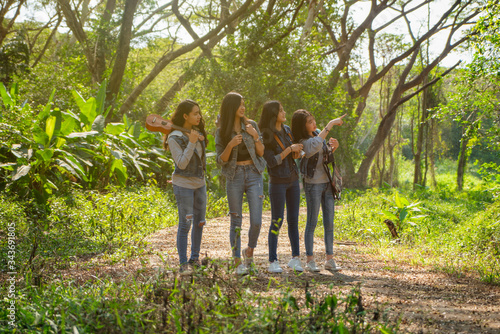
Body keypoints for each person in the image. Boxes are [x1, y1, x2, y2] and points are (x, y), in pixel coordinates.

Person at [215, 92, 266, 275]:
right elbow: (220, 160)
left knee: (257, 221)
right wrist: (230, 145)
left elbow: (261, 152)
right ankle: (237, 263)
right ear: (231, 108)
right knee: (236, 220)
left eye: (244, 103)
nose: (243, 107)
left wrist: (255, 136)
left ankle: (249, 252)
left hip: (254, 174)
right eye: (239, 105)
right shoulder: (222, 131)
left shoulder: (251, 125)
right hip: (234, 175)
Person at [291, 109, 346, 272]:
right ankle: (310, 259)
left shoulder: (317, 135)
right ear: (302, 126)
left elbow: (324, 156)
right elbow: (312, 149)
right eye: (309, 121)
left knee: (329, 222)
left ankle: (330, 259)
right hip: (313, 184)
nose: (313, 123)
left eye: (313, 120)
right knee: (312, 222)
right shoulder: (303, 141)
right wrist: (330, 125)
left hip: (327, 184)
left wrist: (333, 148)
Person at [258, 101, 304, 273]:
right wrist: (288, 150)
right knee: (277, 220)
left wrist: (297, 152)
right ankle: (273, 260)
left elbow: (292, 156)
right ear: (272, 114)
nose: (284, 113)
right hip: (277, 180)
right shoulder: (266, 135)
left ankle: (295, 258)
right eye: (281, 110)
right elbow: (272, 161)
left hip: (293, 179)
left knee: (294, 220)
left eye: (284, 109)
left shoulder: (287, 130)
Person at [165, 99, 208, 276]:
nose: (199, 116)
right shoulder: (174, 137)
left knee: (199, 222)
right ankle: (183, 263)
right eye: (195, 113)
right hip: (183, 185)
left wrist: (196, 139)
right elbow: (181, 164)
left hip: (200, 184)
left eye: (199, 113)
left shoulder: (196, 133)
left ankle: (194, 258)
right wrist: (191, 142)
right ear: (185, 116)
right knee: (186, 224)